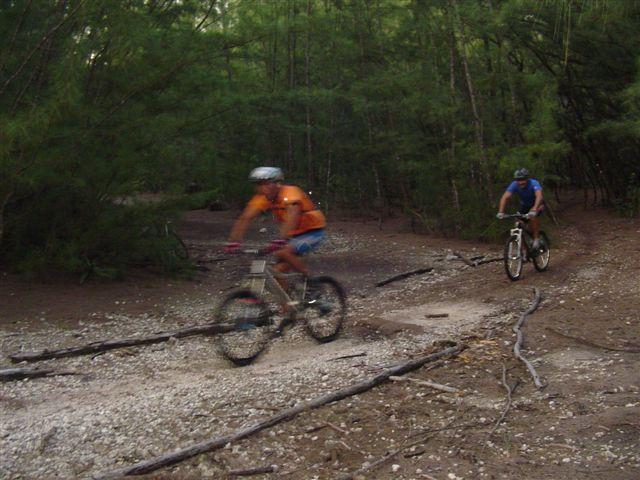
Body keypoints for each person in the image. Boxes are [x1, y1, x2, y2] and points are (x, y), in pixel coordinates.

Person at [225, 166, 326, 282]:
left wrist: (281, 239)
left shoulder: (291, 193)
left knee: (283, 252)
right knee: (277, 272)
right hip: (293, 235)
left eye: (265, 184)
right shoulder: (263, 198)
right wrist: (234, 241)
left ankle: (312, 282)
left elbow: (292, 217)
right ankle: (288, 299)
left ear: (277, 184)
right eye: (258, 184)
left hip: (312, 231)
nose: (261, 189)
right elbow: (245, 218)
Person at [496, 168, 545, 251]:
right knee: (517, 225)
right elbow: (505, 197)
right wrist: (501, 211)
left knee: (533, 217)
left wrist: (534, 209)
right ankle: (525, 251)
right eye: (518, 180)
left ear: (527, 178)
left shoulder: (534, 183)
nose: (521, 182)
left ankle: (536, 238)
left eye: (523, 179)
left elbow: (539, 196)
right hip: (525, 205)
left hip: (538, 203)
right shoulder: (514, 185)